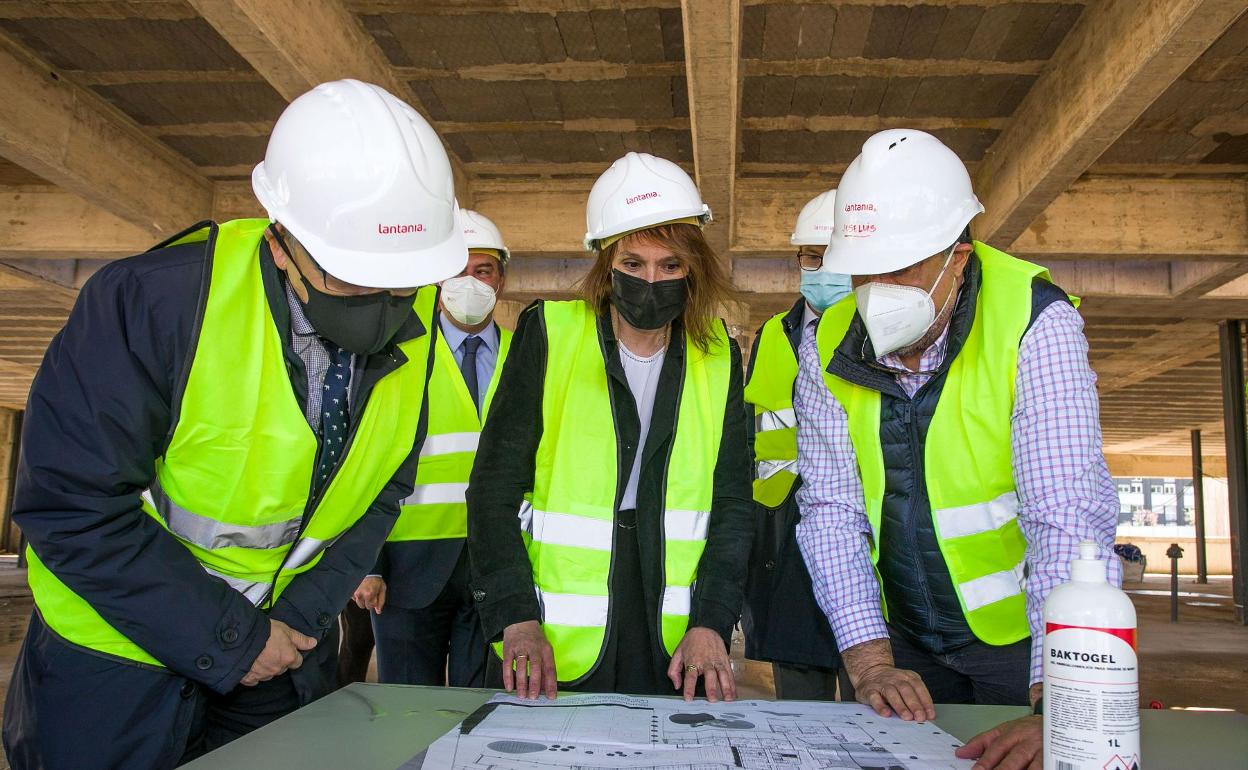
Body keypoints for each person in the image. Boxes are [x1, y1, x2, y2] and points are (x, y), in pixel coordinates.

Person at [2, 79, 467, 770]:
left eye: (404, 284)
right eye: (353, 279)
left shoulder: (418, 321)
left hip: (280, 664)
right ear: (282, 244)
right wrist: (234, 639)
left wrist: (294, 627)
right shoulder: (154, 303)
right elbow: (71, 507)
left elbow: (380, 492)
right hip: (114, 672)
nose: (386, 307)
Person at [794, 129, 1119, 770]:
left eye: (902, 267)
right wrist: (869, 661)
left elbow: (1066, 514)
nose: (877, 289)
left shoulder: (1033, 320)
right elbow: (832, 510)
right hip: (905, 643)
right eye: (864, 269)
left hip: (1024, 647)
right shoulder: (828, 343)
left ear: (959, 257)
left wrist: (1063, 706)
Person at [466, 152, 753, 703]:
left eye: (670, 265)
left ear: (693, 268)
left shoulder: (716, 357)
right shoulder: (549, 332)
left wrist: (712, 622)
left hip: (669, 626)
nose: (652, 280)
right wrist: (513, 617)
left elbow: (733, 505)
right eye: (633, 264)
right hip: (555, 630)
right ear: (605, 264)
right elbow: (492, 490)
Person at [353, 209, 512, 687]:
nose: (470, 282)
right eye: (457, 270)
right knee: (404, 707)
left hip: (496, 564)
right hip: (405, 571)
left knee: (478, 708)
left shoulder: (525, 356)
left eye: (482, 270)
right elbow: (366, 464)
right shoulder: (397, 358)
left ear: (501, 278)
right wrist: (368, 563)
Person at [741, 190, 854, 702]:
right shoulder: (772, 335)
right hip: (787, 545)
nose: (823, 267)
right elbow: (751, 435)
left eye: (835, 255)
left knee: (874, 704)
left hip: (863, 543)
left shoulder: (887, 332)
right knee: (800, 714)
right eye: (813, 256)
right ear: (798, 262)